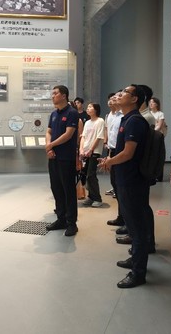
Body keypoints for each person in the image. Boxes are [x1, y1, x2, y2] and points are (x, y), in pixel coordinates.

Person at [100, 84, 151, 288]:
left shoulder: (135, 121)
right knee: (132, 224)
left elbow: (128, 153)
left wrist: (109, 161)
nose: (119, 95)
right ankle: (136, 259)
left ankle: (138, 273)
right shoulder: (126, 119)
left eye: (125, 93)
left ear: (135, 99)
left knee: (137, 228)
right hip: (125, 178)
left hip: (132, 180)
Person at [45, 85, 79, 236]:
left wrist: (51, 145)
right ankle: (61, 219)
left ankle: (72, 223)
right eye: (52, 93)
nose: (52, 96)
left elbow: (68, 134)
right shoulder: (53, 114)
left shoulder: (72, 113)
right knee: (56, 188)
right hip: (53, 157)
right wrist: (49, 147)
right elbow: (49, 131)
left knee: (68, 190)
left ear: (64, 95)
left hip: (66, 158)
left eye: (55, 93)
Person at [79, 103, 105, 207]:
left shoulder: (100, 121)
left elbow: (99, 137)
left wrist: (91, 149)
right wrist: (81, 149)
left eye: (90, 107)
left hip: (94, 151)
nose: (88, 109)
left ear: (96, 109)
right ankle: (91, 197)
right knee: (85, 174)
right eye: (88, 107)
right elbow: (83, 137)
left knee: (91, 174)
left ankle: (97, 198)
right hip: (85, 152)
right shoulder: (87, 122)